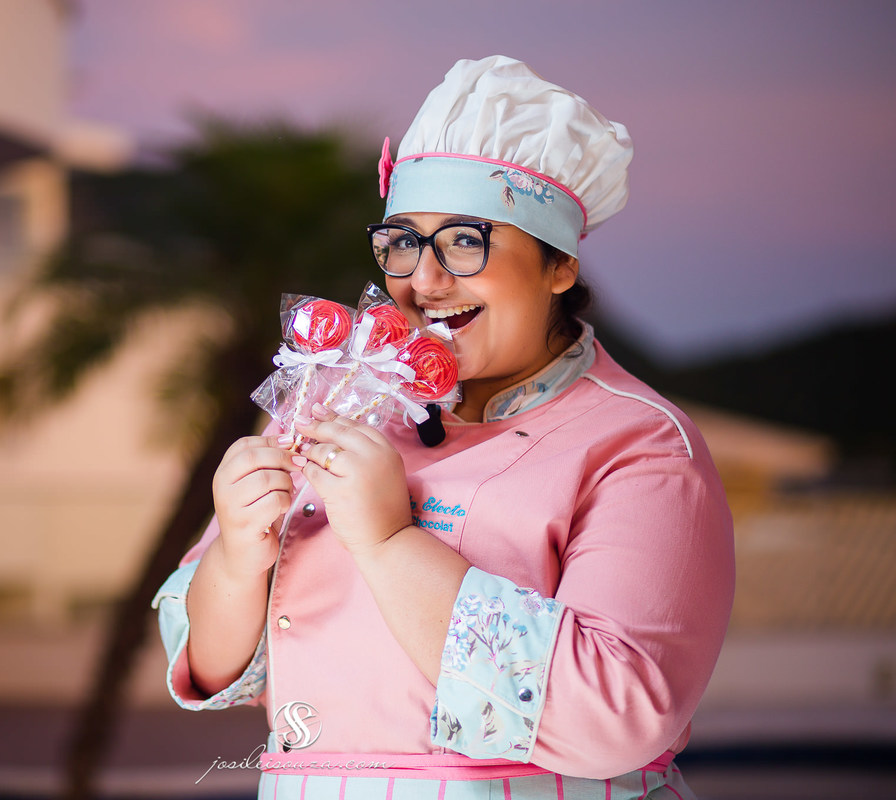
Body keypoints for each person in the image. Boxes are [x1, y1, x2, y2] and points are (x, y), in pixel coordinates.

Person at [153, 55, 734, 799]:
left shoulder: (641, 446)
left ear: (559, 265)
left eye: (466, 240)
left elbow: (616, 717)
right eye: (402, 241)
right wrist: (238, 554)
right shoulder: (329, 404)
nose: (423, 281)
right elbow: (208, 666)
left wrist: (388, 542)